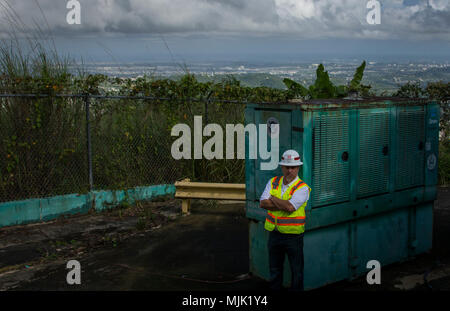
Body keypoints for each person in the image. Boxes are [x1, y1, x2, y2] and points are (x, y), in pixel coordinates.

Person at [259, 149, 311, 291]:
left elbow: (290, 207)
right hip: (274, 235)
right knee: (275, 271)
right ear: (282, 166)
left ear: (298, 167)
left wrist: (274, 199)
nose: (289, 170)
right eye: (287, 167)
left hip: (293, 237)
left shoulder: (303, 188)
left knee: (297, 273)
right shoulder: (273, 181)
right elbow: (263, 203)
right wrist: (284, 202)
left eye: (293, 167)